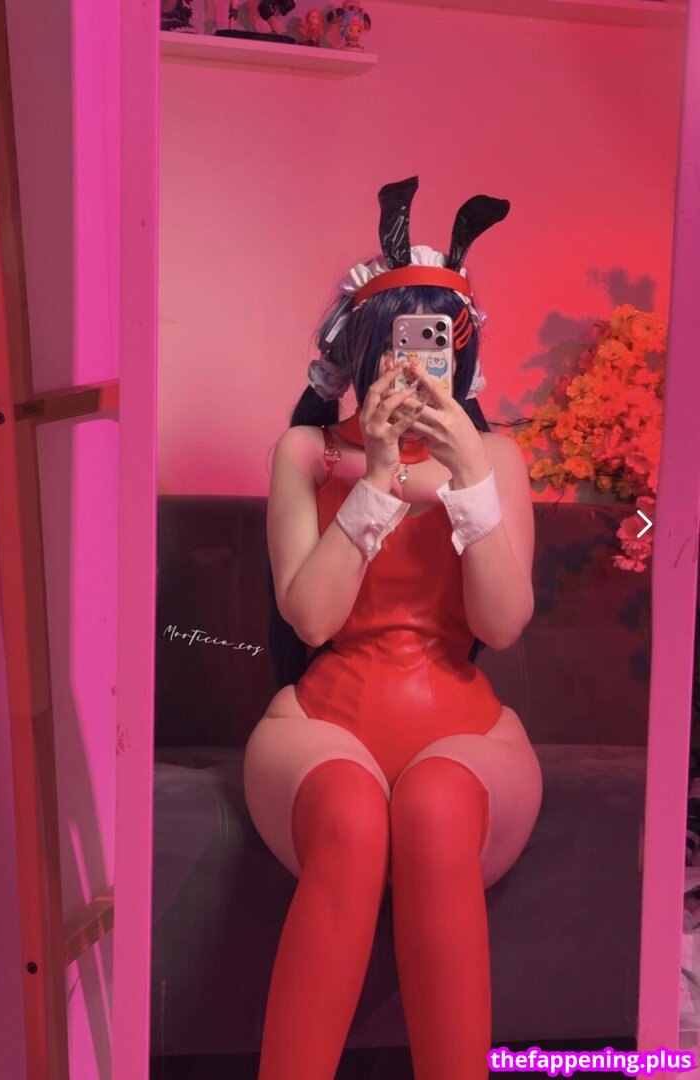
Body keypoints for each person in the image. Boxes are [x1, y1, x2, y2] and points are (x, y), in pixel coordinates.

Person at [243, 175, 543, 1080]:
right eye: (399, 343)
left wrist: (470, 481)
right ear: (364, 348)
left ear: (462, 351)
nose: (416, 365)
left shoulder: (498, 458)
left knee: (436, 808)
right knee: (350, 814)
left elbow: (503, 624)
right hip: (322, 726)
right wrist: (374, 479)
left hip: (465, 732)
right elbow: (310, 616)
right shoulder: (307, 453)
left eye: (436, 343)